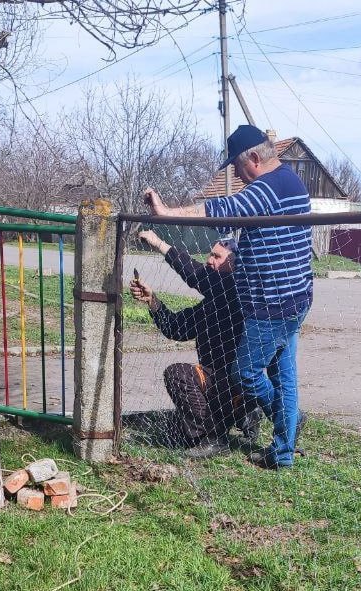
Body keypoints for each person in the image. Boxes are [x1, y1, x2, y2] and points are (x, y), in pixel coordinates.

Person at [143, 124, 312, 469]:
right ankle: (282, 453)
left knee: (246, 372)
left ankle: (286, 421)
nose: (235, 173)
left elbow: (221, 208)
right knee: (284, 375)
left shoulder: (270, 186)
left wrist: (165, 214)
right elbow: (198, 274)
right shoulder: (289, 182)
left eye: (235, 165)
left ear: (253, 157)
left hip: (272, 304)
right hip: (293, 298)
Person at [130, 229, 262, 458]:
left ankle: (212, 438)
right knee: (174, 431)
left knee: (178, 373)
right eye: (210, 255)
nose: (209, 261)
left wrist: (159, 243)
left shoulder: (240, 292)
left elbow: (197, 275)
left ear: (235, 263)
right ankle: (243, 415)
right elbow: (176, 328)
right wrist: (152, 300)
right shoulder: (211, 303)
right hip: (214, 385)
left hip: (238, 382)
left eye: (217, 256)